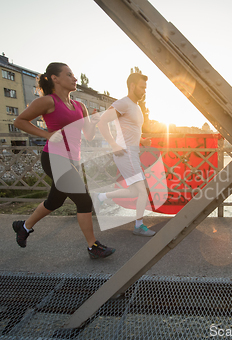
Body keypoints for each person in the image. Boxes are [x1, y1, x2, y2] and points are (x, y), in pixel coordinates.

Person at [12, 62, 115, 259]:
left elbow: (89, 136)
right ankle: (93, 246)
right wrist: (46, 134)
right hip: (54, 158)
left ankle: (24, 227)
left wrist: (93, 122)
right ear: (55, 78)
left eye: (74, 75)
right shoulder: (48, 102)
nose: (74, 78)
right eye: (69, 75)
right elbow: (19, 121)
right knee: (84, 200)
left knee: (54, 202)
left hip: (72, 160)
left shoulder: (80, 106)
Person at [96, 73, 155, 237]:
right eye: (142, 87)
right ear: (132, 86)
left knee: (135, 191)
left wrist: (142, 140)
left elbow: (129, 129)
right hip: (126, 153)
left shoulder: (135, 107)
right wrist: (113, 144)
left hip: (132, 153)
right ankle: (138, 226)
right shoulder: (123, 103)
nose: (144, 91)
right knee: (142, 191)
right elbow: (102, 121)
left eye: (145, 88)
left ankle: (100, 197)